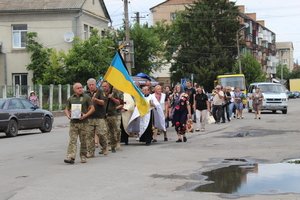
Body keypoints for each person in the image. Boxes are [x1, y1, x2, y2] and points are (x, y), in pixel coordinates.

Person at [64, 83, 95, 164]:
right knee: (72, 140)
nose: (80, 89)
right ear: (74, 90)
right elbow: (66, 109)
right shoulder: (71, 98)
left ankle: (83, 156)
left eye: (81, 87)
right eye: (78, 88)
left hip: (84, 122)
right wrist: (68, 115)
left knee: (83, 140)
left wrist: (85, 115)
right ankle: (71, 156)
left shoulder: (86, 97)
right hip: (73, 123)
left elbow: (92, 108)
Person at [85, 78, 108, 157]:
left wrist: (95, 99)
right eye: (89, 85)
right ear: (88, 85)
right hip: (89, 117)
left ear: (95, 84)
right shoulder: (85, 93)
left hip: (99, 116)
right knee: (89, 135)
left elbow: (103, 102)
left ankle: (104, 147)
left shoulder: (100, 91)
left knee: (101, 133)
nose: (91, 86)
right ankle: (90, 152)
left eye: (92, 84)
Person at [102, 81, 123, 153]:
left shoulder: (115, 92)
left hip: (115, 114)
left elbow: (120, 102)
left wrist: (112, 98)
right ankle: (110, 144)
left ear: (109, 86)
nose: (104, 88)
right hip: (105, 114)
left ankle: (117, 142)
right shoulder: (101, 93)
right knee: (107, 131)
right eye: (103, 86)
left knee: (117, 129)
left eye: (105, 86)